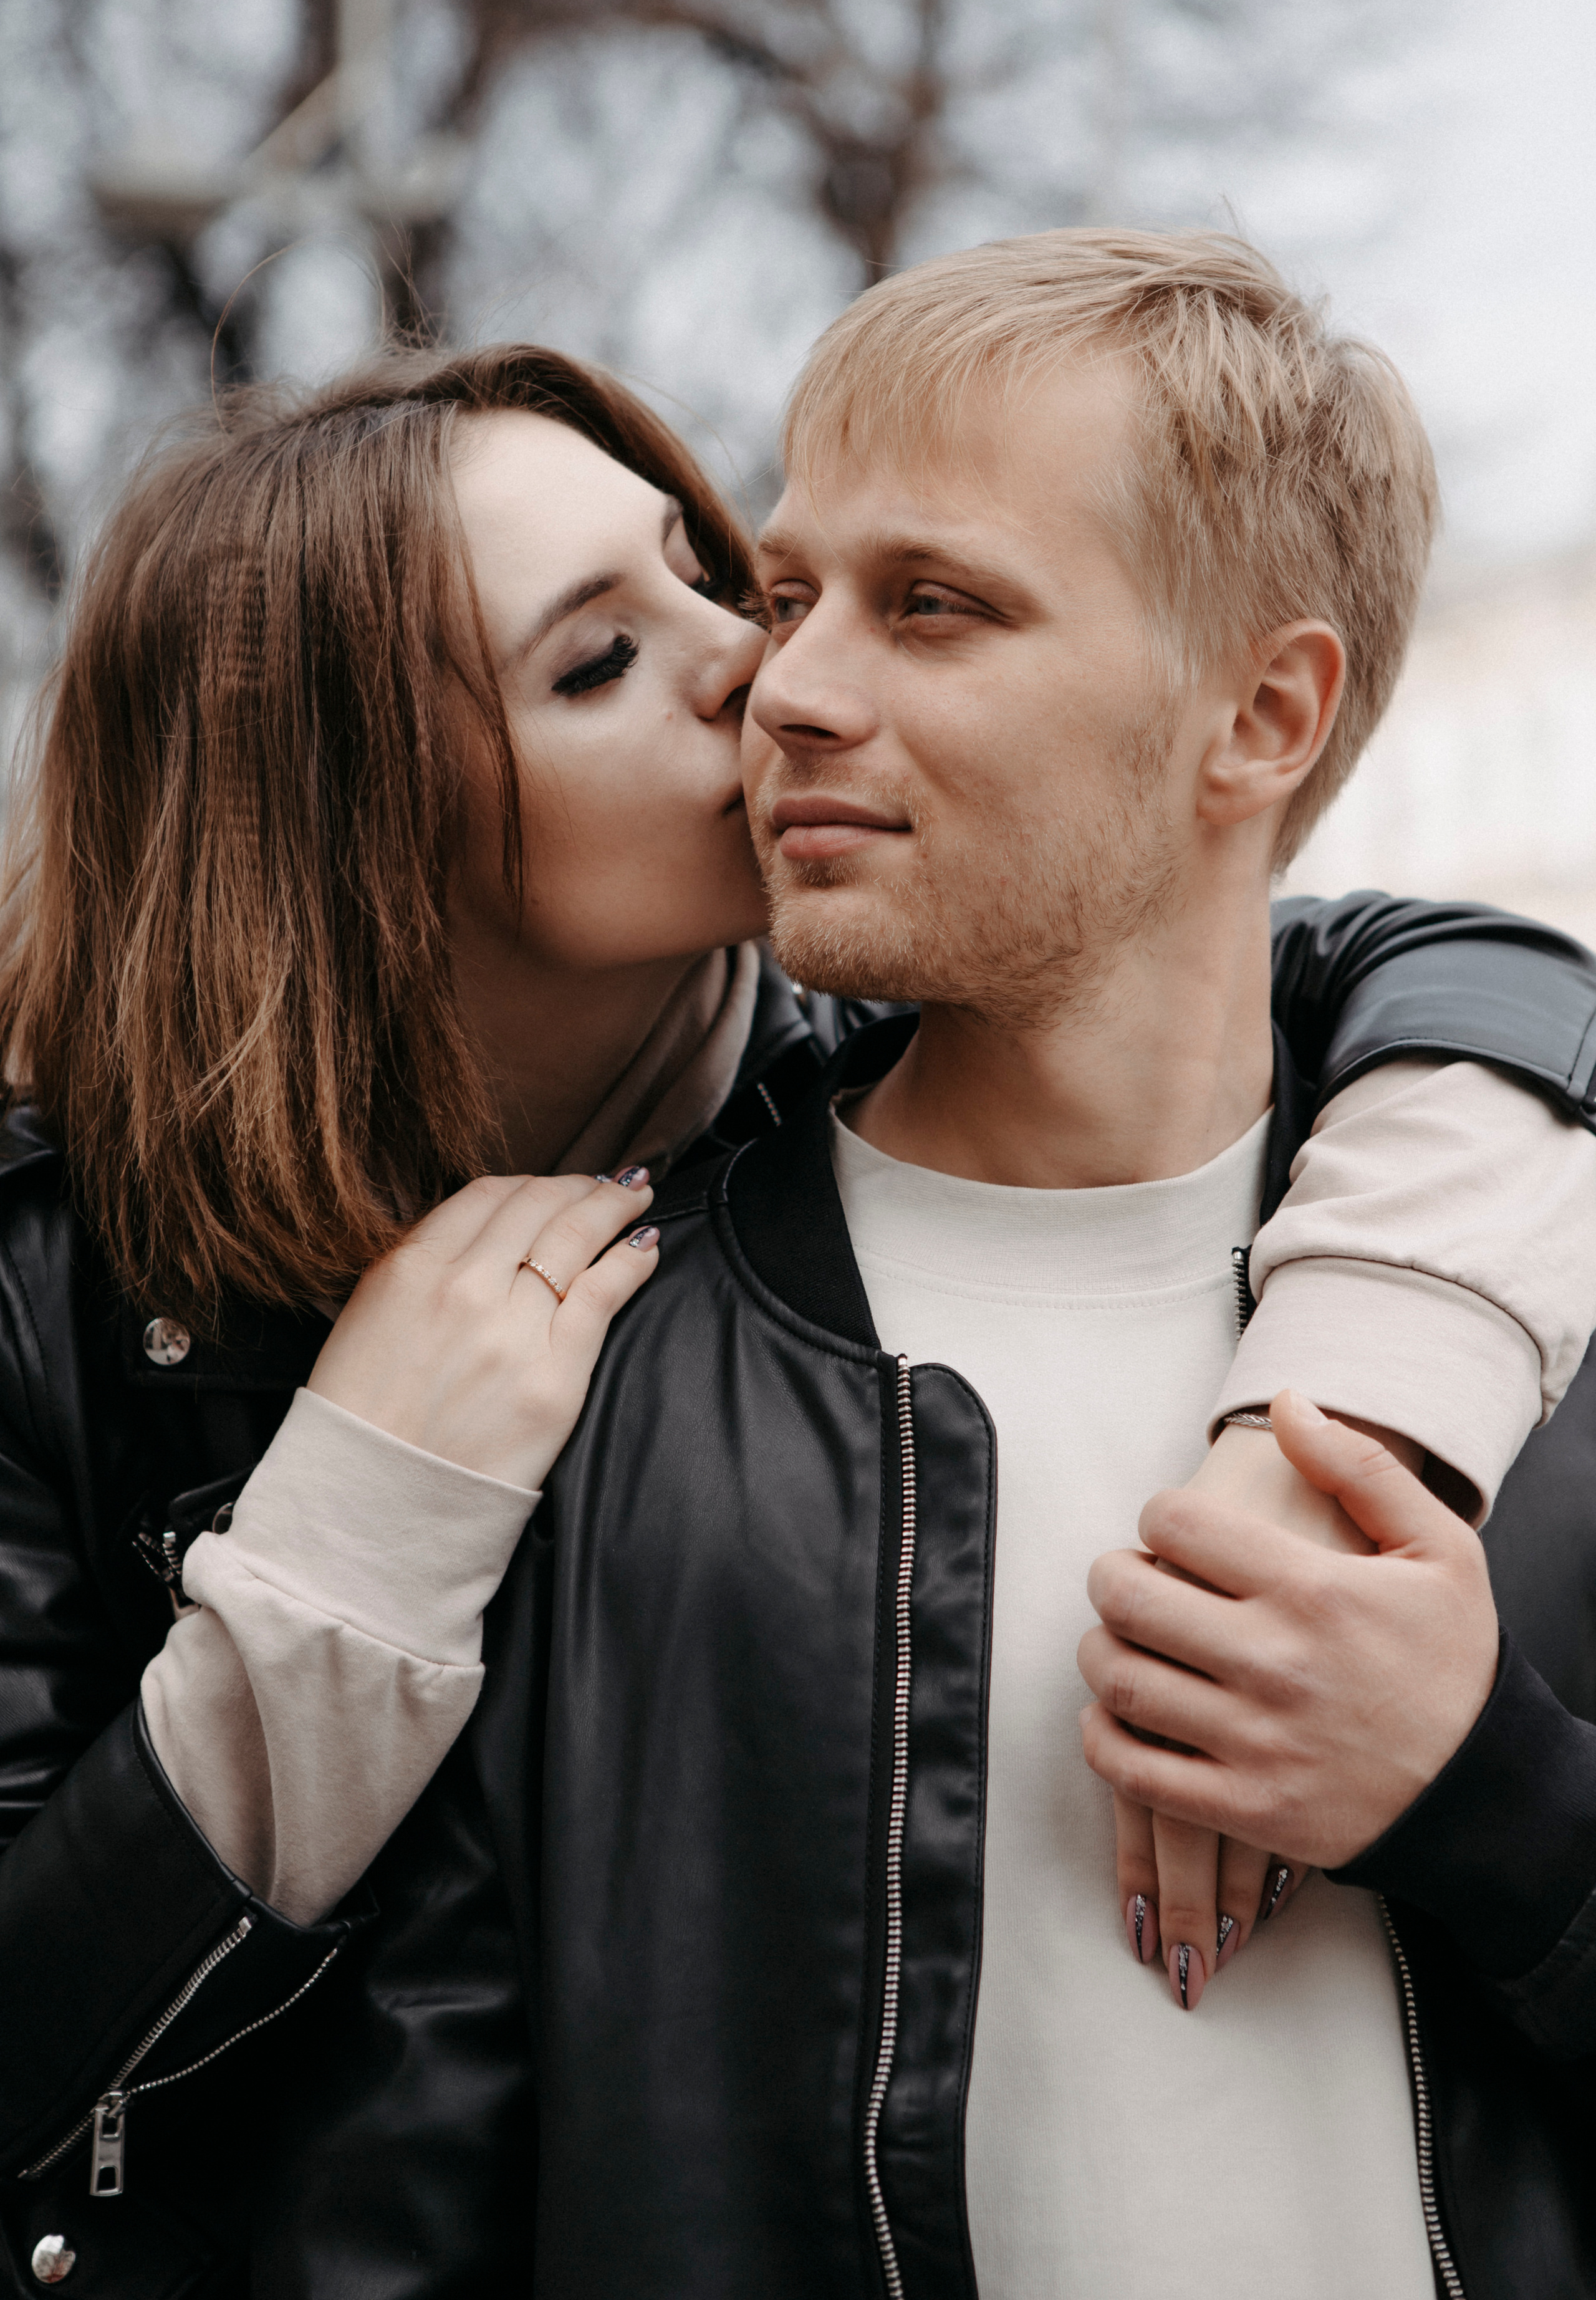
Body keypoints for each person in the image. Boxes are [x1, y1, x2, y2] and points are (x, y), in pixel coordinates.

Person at [0, 302, 1594, 2297]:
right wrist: (350, 1540)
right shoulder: (88, 1293)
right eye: (601, 658)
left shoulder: (941, 1125)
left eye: (708, 573)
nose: (762, 672)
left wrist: (1363, 1422)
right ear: (363, 829)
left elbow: (1409, 968)